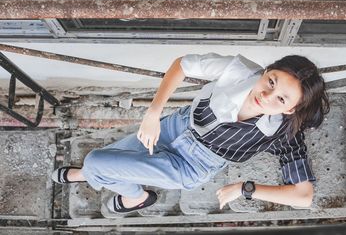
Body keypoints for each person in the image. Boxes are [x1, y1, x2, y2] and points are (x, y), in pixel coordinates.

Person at [52, 53, 329, 216]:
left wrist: (246, 189)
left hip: (192, 165)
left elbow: (303, 197)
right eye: (271, 81)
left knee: (99, 161)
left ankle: (94, 176)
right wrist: (152, 113)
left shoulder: (284, 132)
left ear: (292, 109)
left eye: (281, 100)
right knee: (110, 161)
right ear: (267, 71)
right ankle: (136, 198)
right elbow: (182, 64)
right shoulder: (238, 69)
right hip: (176, 125)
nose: (266, 96)